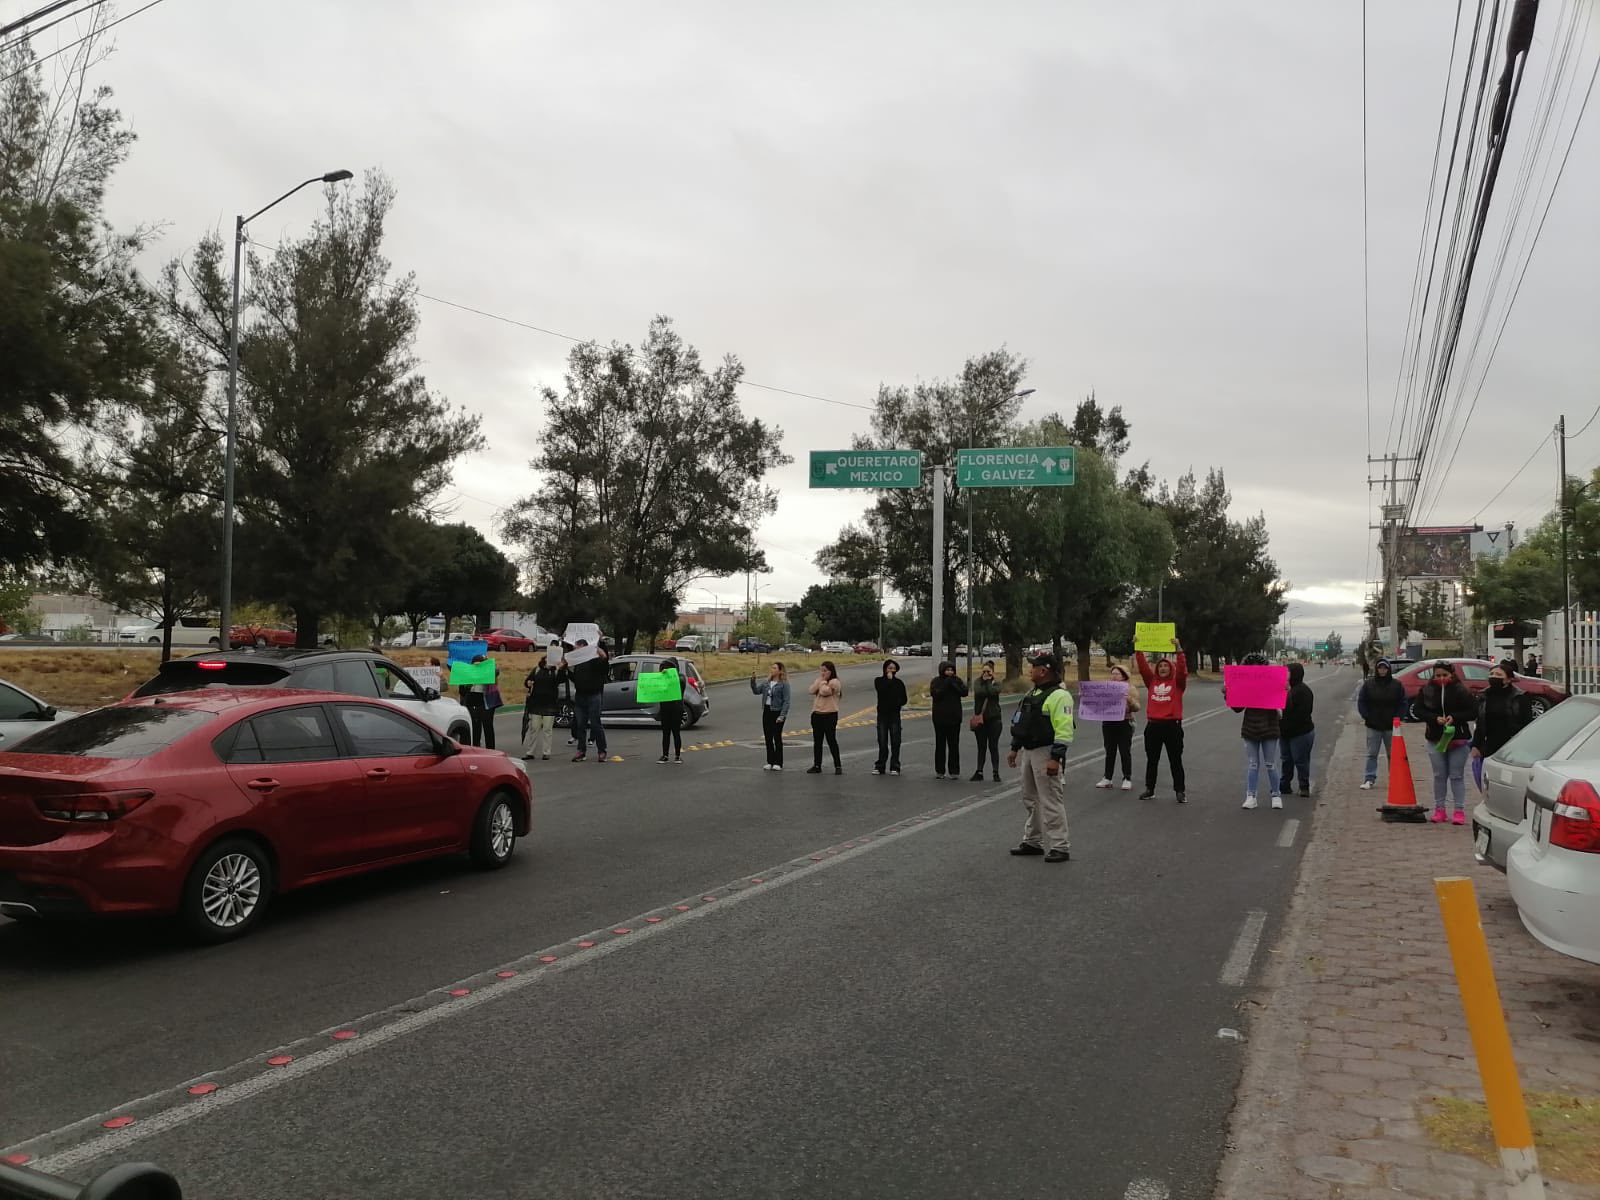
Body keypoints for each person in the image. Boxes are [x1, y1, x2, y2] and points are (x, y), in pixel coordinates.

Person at [1007, 653, 1076, 863]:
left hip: (1046, 751)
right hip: (1029, 751)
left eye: (1033, 667)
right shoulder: (1033, 693)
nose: (1030, 670)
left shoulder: (1059, 696)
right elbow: (1023, 722)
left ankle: (1060, 846)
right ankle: (1032, 841)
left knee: (1050, 799)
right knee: (1030, 798)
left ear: (1043, 671)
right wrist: (1015, 748)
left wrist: (1055, 758)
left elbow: (1064, 730)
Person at [1414, 660, 1477, 825]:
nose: (1441, 679)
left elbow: (1473, 711)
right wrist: (1434, 719)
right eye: (1438, 675)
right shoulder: (1426, 690)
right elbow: (1418, 710)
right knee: (1439, 775)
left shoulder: (1462, 690)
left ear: (1452, 674)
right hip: (1435, 738)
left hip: (1458, 739)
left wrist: (1455, 717)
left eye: (1445, 675)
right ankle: (1439, 809)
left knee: (1456, 776)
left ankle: (1459, 810)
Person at [1135, 637, 1188, 802]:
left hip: (1172, 726)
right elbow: (1143, 668)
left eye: (1166, 666)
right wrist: (1138, 649)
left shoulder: (1178, 683)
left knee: (1175, 760)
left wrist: (1179, 649)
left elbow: (1182, 670)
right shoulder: (1151, 681)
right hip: (1153, 727)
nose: (1163, 668)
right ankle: (1149, 789)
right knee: (1152, 760)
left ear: (1170, 668)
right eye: (1160, 666)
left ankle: (1180, 791)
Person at [1230, 652, 1283, 811]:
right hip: (1250, 728)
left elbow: (1281, 703)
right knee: (1253, 764)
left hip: (1269, 728)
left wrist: (1282, 690)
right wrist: (1229, 693)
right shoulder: (1245, 686)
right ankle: (1251, 796)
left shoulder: (1272, 684)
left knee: (1270, 763)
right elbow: (1237, 708)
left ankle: (1276, 795)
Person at [1355, 657, 1407, 790]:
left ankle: (1394, 778)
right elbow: (1362, 701)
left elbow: (1403, 702)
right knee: (1372, 753)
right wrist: (1366, 716)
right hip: (1373, 725)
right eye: (1380, 668)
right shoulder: (1369, 684)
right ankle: (1369, 778)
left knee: (1393, 754)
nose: (1382, 670)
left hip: (1391, 726)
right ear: (1377, 669)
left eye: (1384, 668)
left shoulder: (1397, 685)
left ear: (1388, 669)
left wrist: (1398, 717)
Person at [1472, 659, 1535, 762]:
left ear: (1508, 679)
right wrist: (1475, 745)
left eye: (1498, 674)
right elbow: (1480, 723)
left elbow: (1527, 723)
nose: (1493, 677)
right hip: (1489, 745)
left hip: (1512, 745)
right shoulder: (1484, 696)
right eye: (1491, 674)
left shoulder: (1520, 697)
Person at [1095, 664, 1139, 790]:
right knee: (1110, 751)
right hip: (1108, 722)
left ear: (1124, 675)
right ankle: (1107, 778)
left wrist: (1129, 700)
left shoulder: (1130, 688)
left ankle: (1127, 778)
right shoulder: (1106, 688)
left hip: (1124, 722)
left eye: (1117, 674)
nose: (1114, 676)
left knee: (1125, 751)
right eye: (1112, 673)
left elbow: (1137, 707)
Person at [565, 641, 610, 763]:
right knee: (580, 725)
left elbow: (605, 667)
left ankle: (602, 751)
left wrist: (602, 653)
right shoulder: (578, 663)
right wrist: (569, 670)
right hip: (580, 696)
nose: (575, 649)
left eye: (577, 647)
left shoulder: (594, 660)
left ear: (584, 648)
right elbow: (575, 679)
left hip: (593, 696)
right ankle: (581, 751)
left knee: (595, 724)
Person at [1279, 662, 1315, 798]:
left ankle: (1304, 786)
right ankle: (1285, 785)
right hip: (1285, 733)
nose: (1286, 675)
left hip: (1301, 733)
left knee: (1301, 760)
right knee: (1286, 760)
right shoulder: (1285, 689)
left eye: (1288, 672)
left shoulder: (1303, 691)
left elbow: (1301, 714)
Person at [929, 661, 969, 779]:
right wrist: (946, 683)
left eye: (951, 670)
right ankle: (940, 770)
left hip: (954, 718)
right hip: (940, 718)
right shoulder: (936, 681)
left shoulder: (957, 680)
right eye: (947, 670)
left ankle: (954, 771)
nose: (950, 672)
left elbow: (964, 692)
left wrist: (953, 684)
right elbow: (936, 694)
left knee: (954, 745)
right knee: (940, 745)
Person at [521, 654, 564, 760]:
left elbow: (561, 679)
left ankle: (546, 752)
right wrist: (528, 683)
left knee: (547, 729)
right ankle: (530, 752)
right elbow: (527, 681)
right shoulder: (536, 670)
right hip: (536, 703)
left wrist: (562, 668)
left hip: (550, 704)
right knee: (534, 728)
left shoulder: (555, 672)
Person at [751, 661, 791, 771]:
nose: (772, 670)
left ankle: (778, 762)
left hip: (777, 711)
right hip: (767, 710)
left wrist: (782, 715)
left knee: (776, 737)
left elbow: (786, 701)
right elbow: (756, 691)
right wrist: (753, 681)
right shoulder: (766, 683)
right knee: (768, 737)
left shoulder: (784, 684)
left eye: (774, 668)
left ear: (780, 671)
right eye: (771, 668)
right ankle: (770, 761)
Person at [806, 661, 843, 775]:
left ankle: (837, 765)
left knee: (831, 739)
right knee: (818, 741)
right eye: (821, 670)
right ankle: (817, 765)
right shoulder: (820, 680)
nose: (822, 673)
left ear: (831, 671)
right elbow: (811, 690)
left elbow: (825, 692)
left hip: (830, 714)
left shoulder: (835, 682)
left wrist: (822, 682)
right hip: (817, 714)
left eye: (825, 671)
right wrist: (820, 681)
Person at [970, 660, 1004, 782]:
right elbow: (979, 692)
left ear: (993, 672)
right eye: (983, 671)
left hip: (994, 719)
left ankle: (995, 772)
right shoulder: (977, 682)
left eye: (988, 671)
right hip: (981, 720)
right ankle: (979, 771)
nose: (985, 673)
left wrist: (989, 681)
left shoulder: (997, 683)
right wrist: (986, 683)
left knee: (993, 746)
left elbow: (993, 692)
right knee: (981, 746)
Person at [873, 658, 907, 776]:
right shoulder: (879, 681)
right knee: (882, 741)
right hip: (882, 715)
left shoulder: (899, 683)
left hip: (894, 715)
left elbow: (904, 699)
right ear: (884, 669)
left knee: (895, 741)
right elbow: (881, 691)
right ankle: (880, 765)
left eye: (893, 669)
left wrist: (897, 703)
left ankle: (895, 766)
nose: (891, 671)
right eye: (889, 668)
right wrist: (889, 681)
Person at [652, 657, 686, 764]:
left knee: (676, 732)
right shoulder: (662, 679)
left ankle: (677, 756)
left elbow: (680, 682)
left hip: (676, 708)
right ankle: (665, 755)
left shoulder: (680, 678)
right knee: (665, 733)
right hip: (665, 708)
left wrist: (669, 675)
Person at [460, 654, 497, 749]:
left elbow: (496, 671)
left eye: (479, 665)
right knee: (475, 725)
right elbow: (462, 692)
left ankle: (490, 748)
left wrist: (487, 666)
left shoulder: (488, 673)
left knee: (487, 725)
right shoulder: (467, 674)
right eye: (475, 665)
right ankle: (475, 747)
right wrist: (469, 684)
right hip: (471, 701)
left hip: (485, 701)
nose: (477, 667)